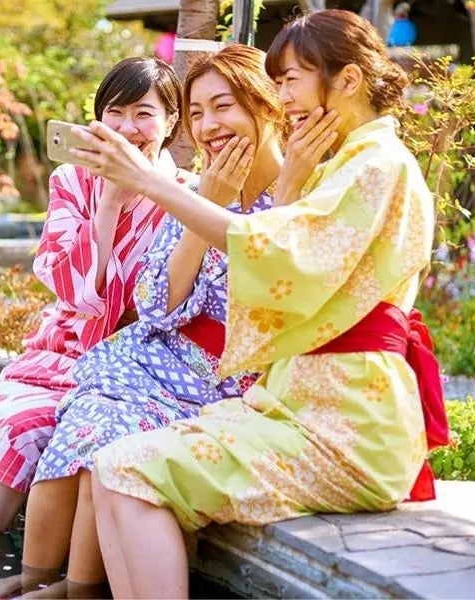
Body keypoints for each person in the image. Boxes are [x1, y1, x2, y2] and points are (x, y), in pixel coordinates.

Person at [69, 9, 449, 599]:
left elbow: (274, 252)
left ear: (346, 81)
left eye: (292, 79)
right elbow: (272, 268)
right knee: (113, 460)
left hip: (344, 426)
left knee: (127, 470)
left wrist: (150, 183)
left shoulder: (376, 166)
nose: (285, 97)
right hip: (309, 406)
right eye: (196, 113)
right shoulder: (355, 165)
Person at [0, 45, 288, 600]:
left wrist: (208, 204)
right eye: (201, 111)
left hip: (221, 374)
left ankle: (76, 588)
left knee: (107, 450)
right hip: (154, 356)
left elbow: (266, 292)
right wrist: (207, 201)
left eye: (224, 107)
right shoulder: (202, 187)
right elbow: (157, 300)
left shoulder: (291, 197)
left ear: (267, 107)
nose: (209, 126)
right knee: (83, 425)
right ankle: (45, 578)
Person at [0, 57, 192, 566]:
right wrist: (109, 206)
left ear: (170, 123)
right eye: (115, 113)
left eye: (145, 114)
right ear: (97, 119)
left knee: (20, 426)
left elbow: (152, 297)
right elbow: (67, 285)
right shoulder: (73, 179)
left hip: (119, 357)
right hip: (63, 343)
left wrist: (120, 204)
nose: (128, 129)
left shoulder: (181, 193)